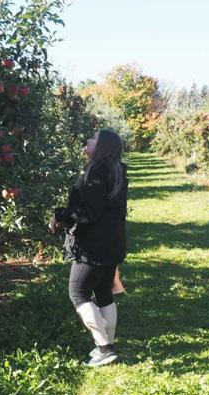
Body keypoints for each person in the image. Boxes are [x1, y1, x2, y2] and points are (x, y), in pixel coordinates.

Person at [49, 128, 128, 367]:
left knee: (78, 294)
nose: (88, 139)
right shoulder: (117, 171)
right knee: (103, 292)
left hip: (93, 244)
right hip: (112, 240)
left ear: (102, 145)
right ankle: (106, 347)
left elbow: (89, 214)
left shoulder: (97, 172)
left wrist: (60, 214)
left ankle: (104, 348)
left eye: (93, 138)